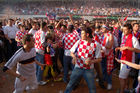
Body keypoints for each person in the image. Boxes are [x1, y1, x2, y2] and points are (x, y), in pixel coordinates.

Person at [64, 27, 102, 93]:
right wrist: (74, 57)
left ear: (87, 34)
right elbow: (71, 52)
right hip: (78, 67)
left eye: (82, 34)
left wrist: (91, 61)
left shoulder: (96, 44)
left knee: (92, 88)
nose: (80, 35)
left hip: (89, 69)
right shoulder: (79, 41)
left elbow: (99, 59)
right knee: (70, 85)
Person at [115, 24, 140, 93]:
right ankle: (126, 89)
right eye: (123, 30)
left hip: (129, 60)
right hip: (123, 59)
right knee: (125, 77)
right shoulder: (124, 36)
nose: (124, 31)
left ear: (130, 30)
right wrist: (119, 48)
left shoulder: (133, 39)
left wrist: (127, 48)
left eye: (125, 30)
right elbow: (124, 46)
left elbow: (138, 50)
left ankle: (122, 91)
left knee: (121, 78)